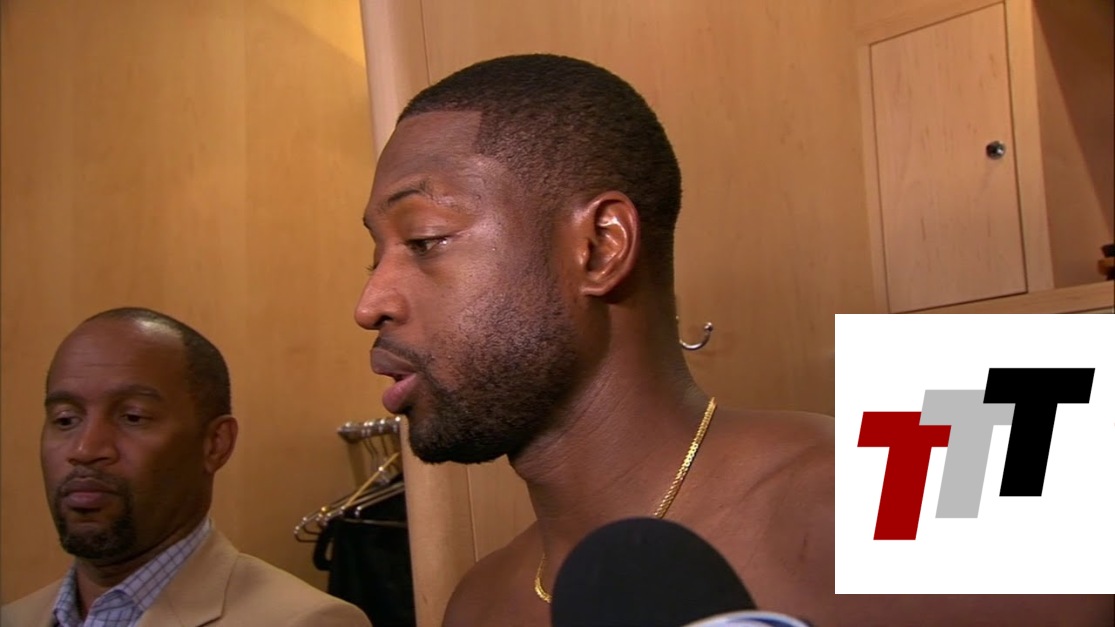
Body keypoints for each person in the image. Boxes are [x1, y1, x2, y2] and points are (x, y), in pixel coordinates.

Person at [354, 53, 1114, 627]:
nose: (371, 302)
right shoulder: (476, 604)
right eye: (374, 255)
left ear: (600, 246)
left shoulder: (951, 466)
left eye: (424, 239)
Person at [0, 307, 370, 627]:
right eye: (65, 420)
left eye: (133, 417)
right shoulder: (15, 617)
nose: (85, 449)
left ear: (215, 444)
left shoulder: (304, 621)